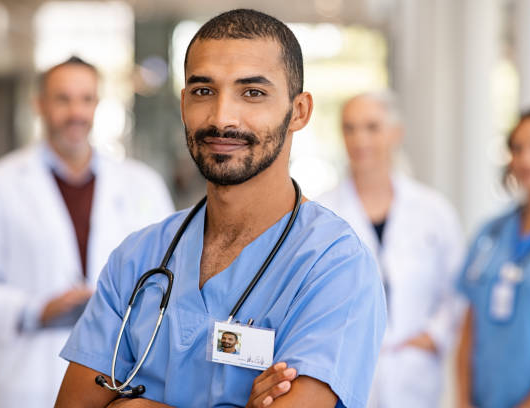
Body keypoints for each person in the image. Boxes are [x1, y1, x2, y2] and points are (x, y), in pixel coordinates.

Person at [55, 9, 386, 408]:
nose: (221, 117)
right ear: (183, 104)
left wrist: (133, 404)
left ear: (299, 112)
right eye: (203, 91)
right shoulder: (138, 257)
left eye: (252, 93)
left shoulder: (335, 265)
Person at [0, 57, 175, 408]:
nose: (76, 112)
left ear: (97, 105)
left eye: (86, 99)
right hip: (29, 376)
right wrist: (35, 309)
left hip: (121, 378)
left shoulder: (142, 184)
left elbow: (171, 277)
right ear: (39, 104)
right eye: (63, 99)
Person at [317, 92, 464, 408]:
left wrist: (433, 337)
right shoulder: (321, 213)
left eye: (372, 127)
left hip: (415, 375)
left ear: (396, 133)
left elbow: (455, 288)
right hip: (346, 374)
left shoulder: (433, 210)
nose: (360, 139)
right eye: (350, 128)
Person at [456, 109, 530, 408]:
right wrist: (463, 399)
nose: (526, 160)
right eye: (517, 148)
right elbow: (470, 323)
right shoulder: (490, 232)